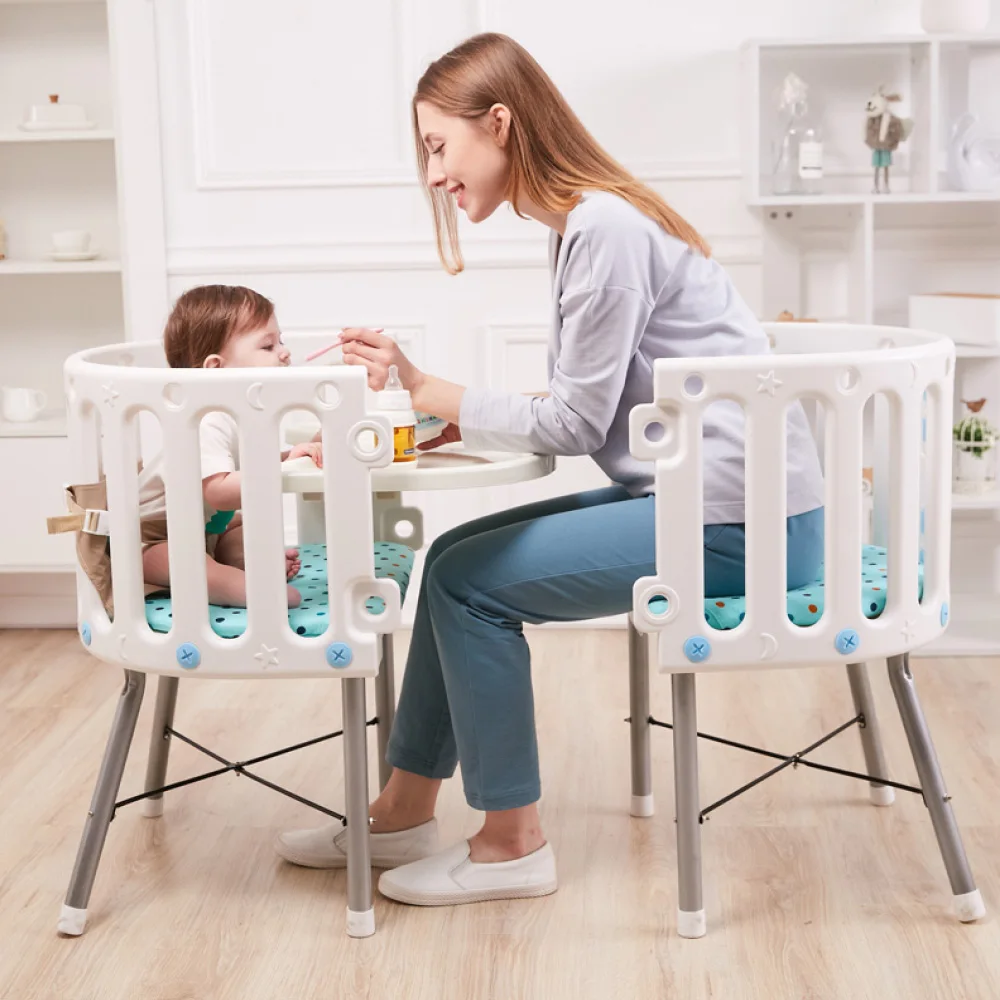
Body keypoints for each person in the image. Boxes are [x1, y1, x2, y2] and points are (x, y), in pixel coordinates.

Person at [276, 32, 825, 907]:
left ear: (499, 123)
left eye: (438, 147)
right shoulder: (584, 225)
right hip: (706, 501)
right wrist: (441, 414)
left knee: (469, 587)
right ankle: (405, 809)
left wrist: (426, 386)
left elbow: (574, 424)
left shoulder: (604, 231)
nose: (434, 175)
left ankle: (512, 844)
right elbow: (585, 400)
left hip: (742, 529)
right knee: (451, 558)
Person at [138, 285, 322, 608]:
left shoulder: (243, 416)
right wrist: (281, 469)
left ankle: (241, 563)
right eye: (267, 346)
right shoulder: (205, 421)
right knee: (185, 559)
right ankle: (232, 586)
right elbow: (219, 492)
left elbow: (248, 468)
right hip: (153, 539)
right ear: (216, 369)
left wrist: (288, 456)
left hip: (207, 529)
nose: (284, 352)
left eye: (280, 341)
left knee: (239, 528)